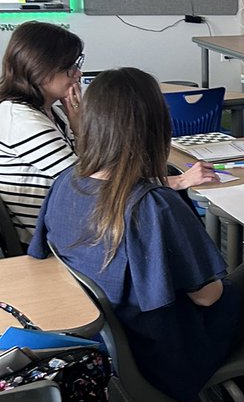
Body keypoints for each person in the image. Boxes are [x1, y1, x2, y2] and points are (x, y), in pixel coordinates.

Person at [28, 67, 244, 402]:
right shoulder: (152, 206)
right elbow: (207, 295)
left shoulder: (66, 184)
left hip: (112, 347)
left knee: (238, 284)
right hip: (166, 355)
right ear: (157, 127)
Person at [0, 21, 216, 246]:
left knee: (163, 185)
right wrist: (179, 181)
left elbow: (91, 165)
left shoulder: (50, 110)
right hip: (57, 235)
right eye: (69, 67)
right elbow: (89, 185)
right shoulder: (21, 119)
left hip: (74, 219)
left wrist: (78, 126)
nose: (77, 73)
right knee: (164, 200)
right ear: (40, 70)